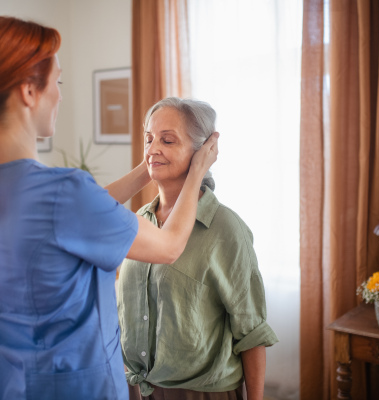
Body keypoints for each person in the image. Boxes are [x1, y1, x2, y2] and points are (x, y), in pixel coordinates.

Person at [0, 17, 218, 400]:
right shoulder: (63, 193)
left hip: (7, 385)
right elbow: (169, 246)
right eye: (57, 82)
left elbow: (76, 212)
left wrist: (144, 171)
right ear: (30, 91)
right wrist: (196, 169)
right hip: (79, 387)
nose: (60, 96)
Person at [117, 97, 277, 400]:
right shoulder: (138, 223)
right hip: (136, 390)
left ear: (202, 152)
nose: (152, 149)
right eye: (148, 139)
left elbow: (251, 333)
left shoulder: (226, 229)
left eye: (168, 140)